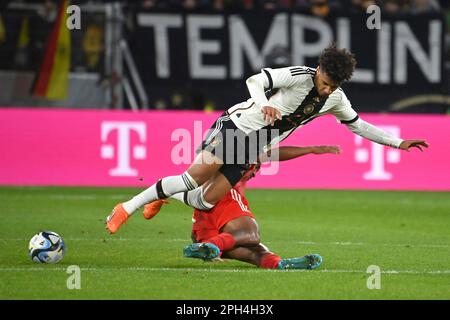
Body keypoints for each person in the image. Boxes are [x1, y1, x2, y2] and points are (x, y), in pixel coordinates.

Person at [106, 44, 428, 234]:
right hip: (237, 126)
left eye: (334, 85)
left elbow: (359, 125)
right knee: (193, 179)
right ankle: (129, 205)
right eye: (326, 82)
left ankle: (164, 195)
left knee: (205, 201)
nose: (327, 89)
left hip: (252, 146)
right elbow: (254, 79)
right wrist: (265, 104)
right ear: (319, 69)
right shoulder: (299, 76)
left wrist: (398, 143)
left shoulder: (336, 100)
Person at [149, 145, 342, 269]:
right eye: (255, 166)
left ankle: (280, 264)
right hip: (224, 202)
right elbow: (274, 153)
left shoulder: (227, 155)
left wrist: (157, 201)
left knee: (253, 252)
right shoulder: (239, 152)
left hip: (206, 221)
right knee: (251, 234)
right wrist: (310, 149)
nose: (256, 169)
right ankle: (212, 245)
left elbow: (181, 190)